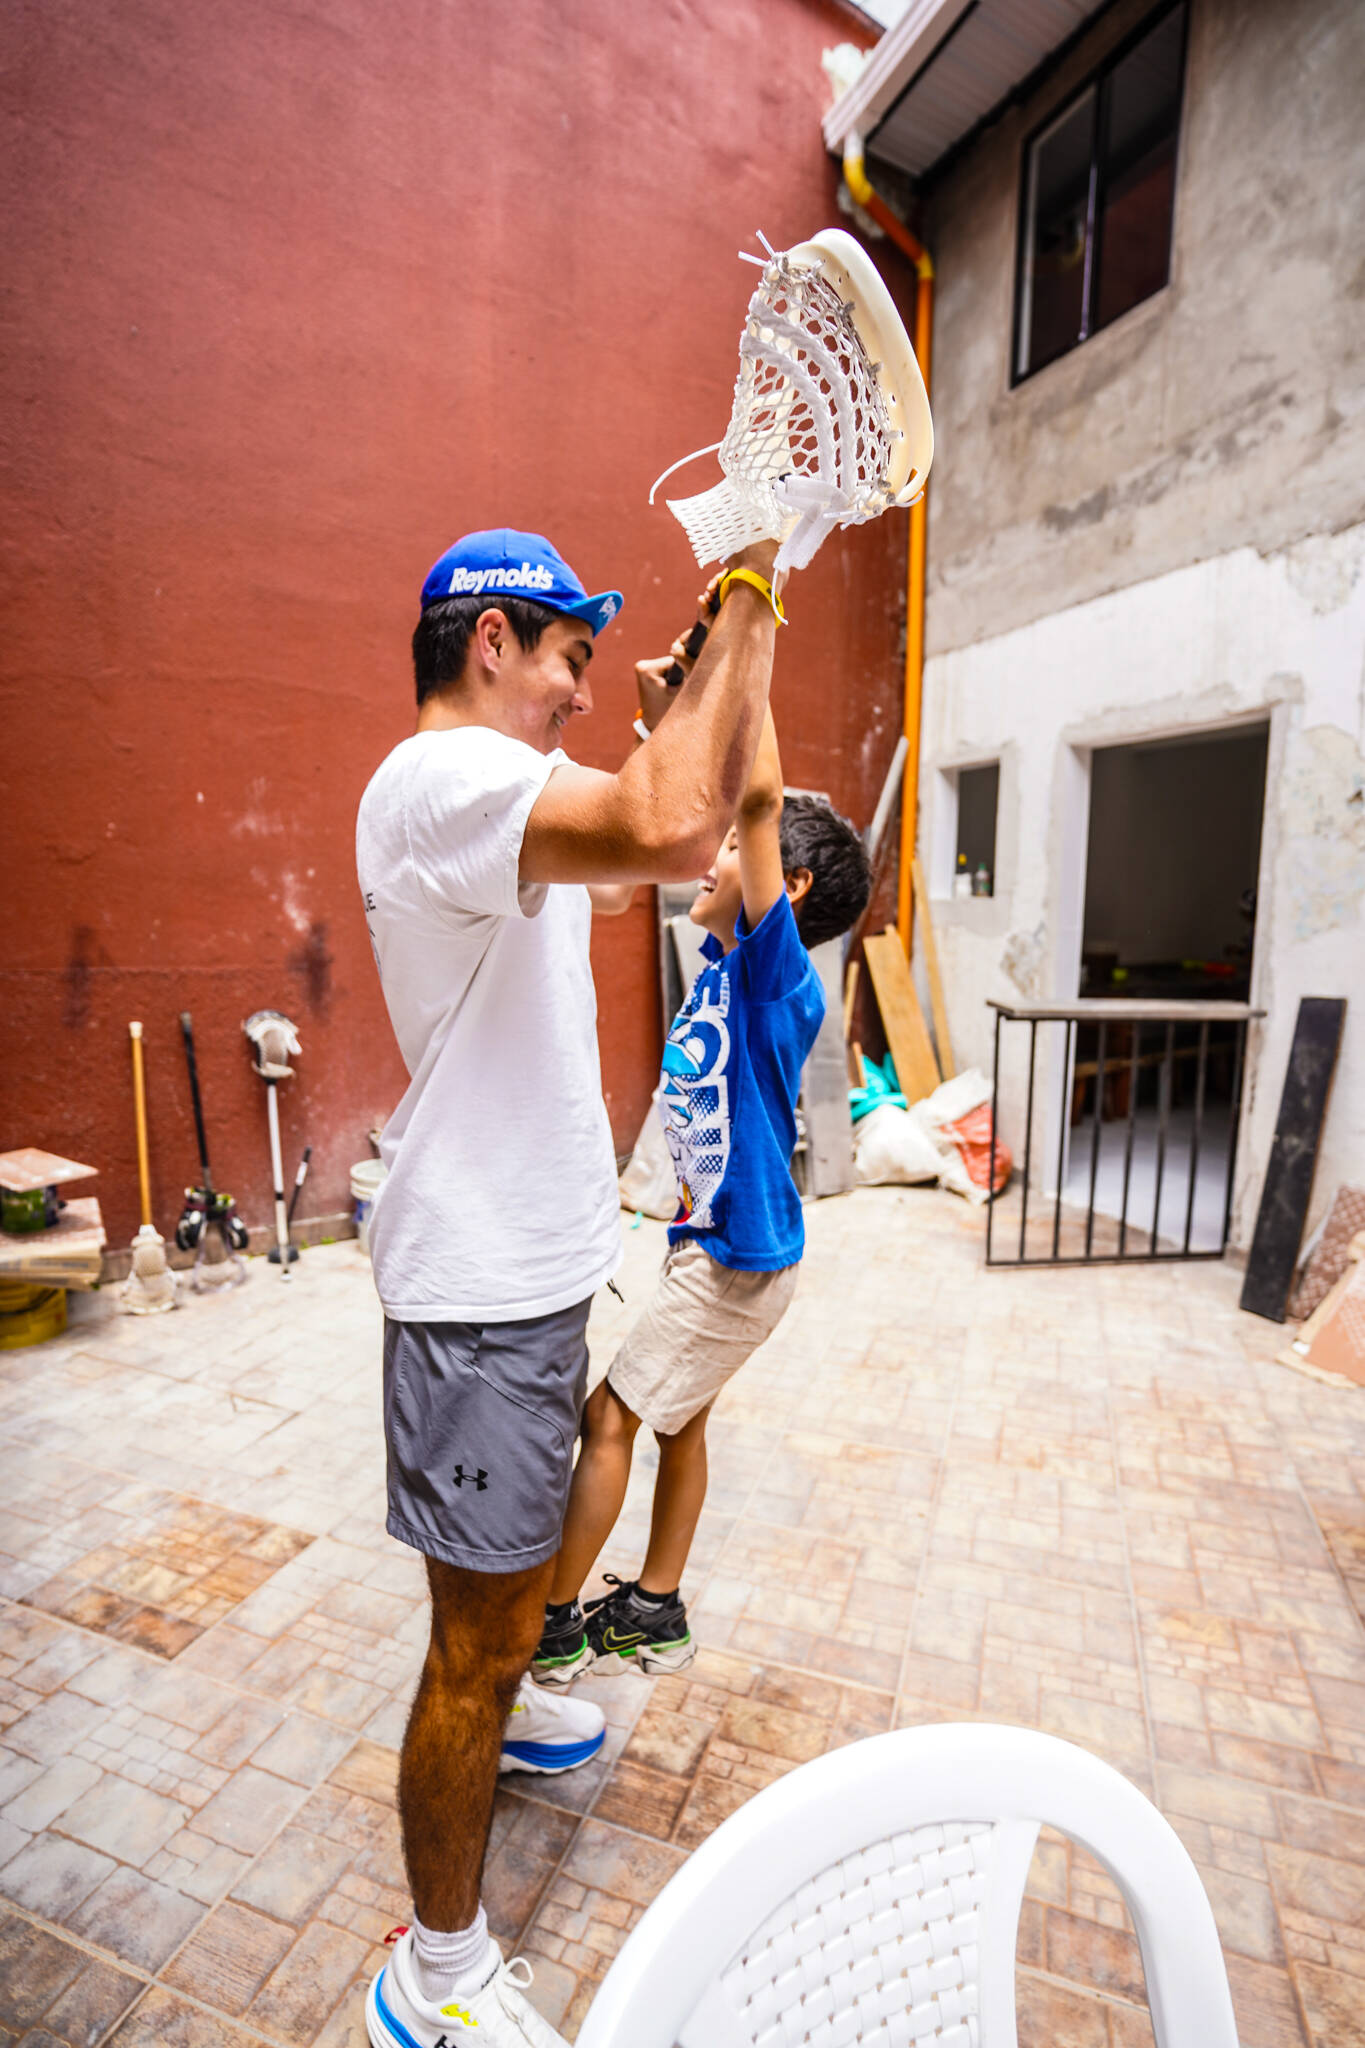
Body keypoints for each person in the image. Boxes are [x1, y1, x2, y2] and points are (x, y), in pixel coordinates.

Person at [356, 528, 785, 2048]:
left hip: (527, 1276)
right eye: (566, 662)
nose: (579, 697)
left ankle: (518, 1708)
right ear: (489, 642)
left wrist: (718, 687)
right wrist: (749, 590)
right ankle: (437, 1970)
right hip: (474, 1298)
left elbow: (661, 828)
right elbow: (675, 833)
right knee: (469, 1647)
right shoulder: (444, 783)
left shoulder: (500, 815)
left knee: (523, 1563)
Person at [533, 655, 872, 1691]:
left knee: (611, 1417)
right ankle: (655, 1605)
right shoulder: (728, 960)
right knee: (681, 1418)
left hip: (737, 1261)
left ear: (786, 885)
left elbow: (754, 799)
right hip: (714, 1246)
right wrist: (671, 709)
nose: (712, 856)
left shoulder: (776, 974)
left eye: (735, 850)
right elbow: (686, 802)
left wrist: (745, 663)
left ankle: (546, 1622)